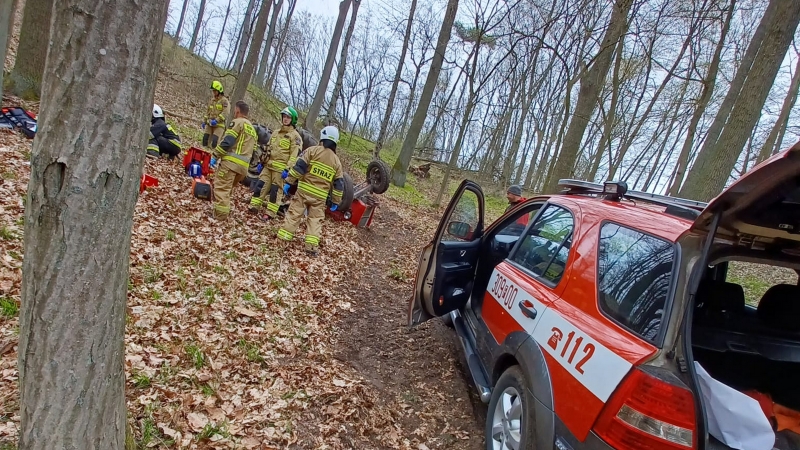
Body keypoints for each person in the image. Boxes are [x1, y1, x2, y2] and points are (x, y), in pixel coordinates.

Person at [277, 126, 344, 256]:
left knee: (294, 214)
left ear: (322, 138)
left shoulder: (312, 151)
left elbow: (298, 168)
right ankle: (311, 248)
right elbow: (339, 185)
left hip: (303, 192)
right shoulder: (337, 162)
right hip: (319, 198)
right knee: (315, 220)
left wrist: (288, 182)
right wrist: (336, 201)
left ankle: (284, 238)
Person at [249, 106, 302, 219]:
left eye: (288, 117)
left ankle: (269, 214)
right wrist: (261, 162)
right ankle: (254, 207)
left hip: (280, 171)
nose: (285, 119)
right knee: (260, 186)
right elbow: (267, 148)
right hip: (268, 166)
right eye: (284, 116)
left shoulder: (295, 137)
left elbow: (295, 156)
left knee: (275, 192)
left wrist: (288, 169)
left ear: (292, 120)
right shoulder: (276, 133)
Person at [209, 101, 257, 219]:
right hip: (243, 168)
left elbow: (227, 142)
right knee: (228, 190)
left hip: (230, 164)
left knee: (221, 189)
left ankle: (220, 216)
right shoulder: (252, 129)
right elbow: (254, 152)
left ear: (237, 111)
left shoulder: (237, 123)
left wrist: (215, 156)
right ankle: (223, 212)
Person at [202, 80, 230, 152]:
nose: (213, 92)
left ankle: (211, 156)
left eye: (215, 91)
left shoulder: (224, 101)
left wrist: (217, 120)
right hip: (210, 123)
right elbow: (208, 111)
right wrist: (205, 121)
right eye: (213, 91)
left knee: (215, 142)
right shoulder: (212, 100)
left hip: (219, 125)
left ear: (219, 91)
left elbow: (225, 113)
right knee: (205, 140)